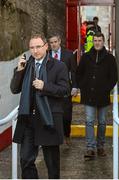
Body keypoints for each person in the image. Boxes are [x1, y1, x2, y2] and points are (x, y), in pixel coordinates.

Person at [10, 34, 69, 179]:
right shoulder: (26, 65)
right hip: (28, 119)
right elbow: (14, 89)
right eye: (31, 47)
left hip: (49, 119)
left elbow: (65, 90)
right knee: (25, 160)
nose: (35, 51)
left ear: (46, 47)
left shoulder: (58, 66)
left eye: (38, 47)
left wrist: (45, 86)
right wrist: (19, 71)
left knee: (52, 165)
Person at [77, 32, 117, 160]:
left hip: (103, 95)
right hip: (88, 95)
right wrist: (83, 86)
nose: (97, 42)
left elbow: (114, 77)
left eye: (99, 40)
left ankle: (100, 146)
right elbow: (79, 73)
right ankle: (90, 148)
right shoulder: (86, 57)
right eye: (95, 40)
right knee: (89, 121)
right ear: (93, 42)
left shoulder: (110, 58)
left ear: (103, 41)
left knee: (102, 122)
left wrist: (106, 88)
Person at [48, 34, 78, 145]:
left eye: (55, 42)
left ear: (59, 41)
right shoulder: (47, 55)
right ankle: (55, 137)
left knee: (66, 116)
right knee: (51, 114)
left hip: (65, 89)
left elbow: (74, 71)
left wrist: (75, 86)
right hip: (51, 90)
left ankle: (66, 134)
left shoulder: (69, 55)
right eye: (51, 42)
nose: (53, 44)